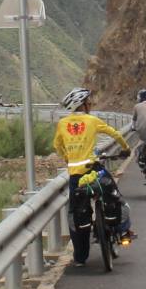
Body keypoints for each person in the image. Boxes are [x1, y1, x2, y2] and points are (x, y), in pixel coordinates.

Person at [52, 87, 133, 262]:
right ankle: (123, 231)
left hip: (75, 176)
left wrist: (68, 158)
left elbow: (57, 146)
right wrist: (125, 148)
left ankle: (80, 258)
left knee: (76, 212)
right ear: (82, 104)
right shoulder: (91, 120)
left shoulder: (62, 124)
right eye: (88, 102)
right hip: (93, 169)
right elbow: (115, 134)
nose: (90, 105)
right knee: (114, 195)